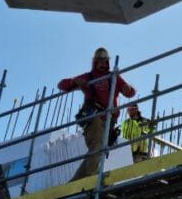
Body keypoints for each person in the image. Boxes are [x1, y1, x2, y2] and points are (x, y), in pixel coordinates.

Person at [58, 47, 136, 181]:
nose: (102, 64)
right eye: (100, 61)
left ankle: (77, 181)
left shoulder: (114, 77)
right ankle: (87, 180)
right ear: (95, 62)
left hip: (109, 121)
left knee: (97, 151)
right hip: (94, 117)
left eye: (104, 61)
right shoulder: (89, 77)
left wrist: (128, 89)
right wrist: (74, 81)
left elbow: (130, 92)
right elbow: (62, 85)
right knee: (98, 147)